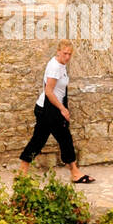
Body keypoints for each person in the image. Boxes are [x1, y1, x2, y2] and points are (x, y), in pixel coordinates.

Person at [19, 41, 94, 184]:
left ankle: (22, 171)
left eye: (70, 54)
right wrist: (62, 109)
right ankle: (75, 173)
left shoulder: (60, 65)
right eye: (65, 53)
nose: (67, 57)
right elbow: (48, 91)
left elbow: (60, 91)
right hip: (49, 109)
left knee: (38, 140)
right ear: (58, 52)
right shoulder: (55, 67)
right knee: (65, 139)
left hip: (46, 109)